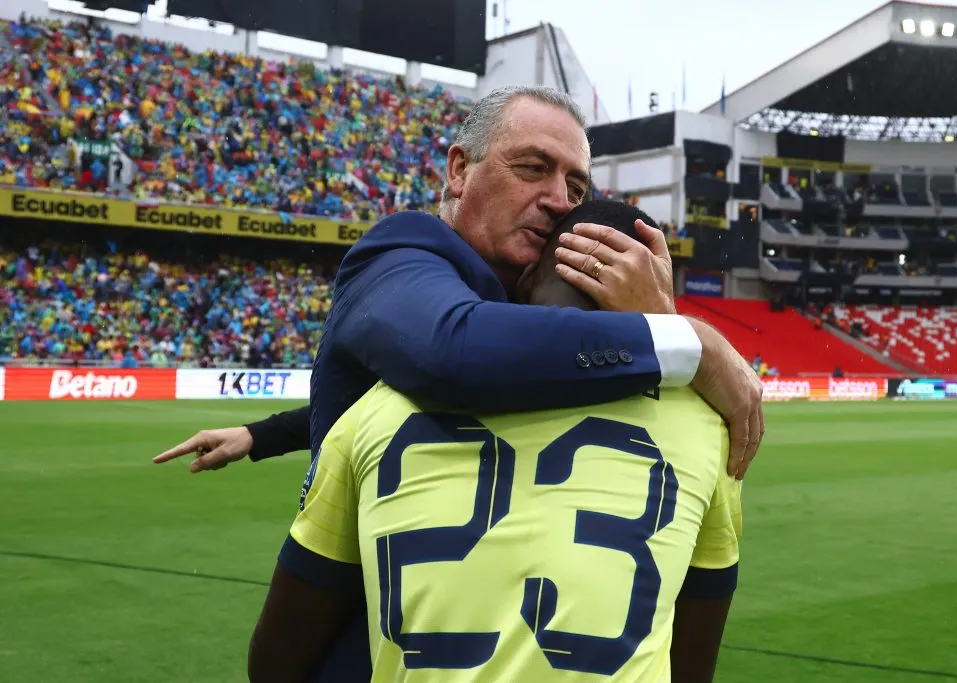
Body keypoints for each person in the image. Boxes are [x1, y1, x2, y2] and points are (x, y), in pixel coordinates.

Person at [154, 86, 764, 482]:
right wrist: (686, 340)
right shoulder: (403, 250)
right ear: (458, 170)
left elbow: (385, 395)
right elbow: (450, 352)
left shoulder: (524, 301)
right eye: (532, 167)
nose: (559, 200)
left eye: (576, 187)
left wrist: (260, 434)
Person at [248, 200, 742, 683]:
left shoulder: (375, 411)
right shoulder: (710, 429)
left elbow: (275, 662)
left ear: (525, 280)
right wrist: (682, 334)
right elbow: (692, 661)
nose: (555, 195)